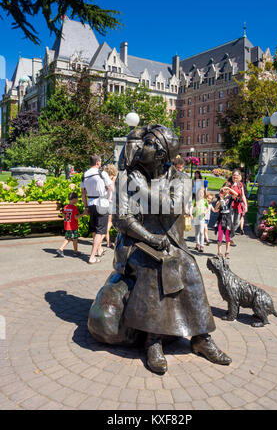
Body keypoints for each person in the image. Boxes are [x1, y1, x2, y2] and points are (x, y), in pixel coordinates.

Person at [88, 124, 231, 374]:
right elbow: (123, 220)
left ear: (162, 154)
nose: (143, 146)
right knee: (155, 265)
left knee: (189, 265)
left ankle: (200, 338)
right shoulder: (128, 177)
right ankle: (153, 341)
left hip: (171, 245)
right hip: (135, 244)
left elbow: (173, 207)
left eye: (150, 143)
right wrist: (150, 238)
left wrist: (143, 191)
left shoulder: (180, 179)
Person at [81, 154, 113, 264]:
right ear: (98, 162)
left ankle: (99, 250)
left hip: (91, 203)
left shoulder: (85, 174)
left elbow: (83, 193)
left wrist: (86, 206)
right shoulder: (102, 173)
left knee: (94, 229)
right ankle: (92, 257)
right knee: (100, 231)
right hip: (102, 204)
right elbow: (111, 187)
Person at [56, 192, 84, 257]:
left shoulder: (66, 207)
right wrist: (83, 214)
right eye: (77, 198)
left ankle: (75, 251)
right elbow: (76, 217)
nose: (77, 200)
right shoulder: (74, 208)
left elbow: (63, 215)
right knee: (70, 239)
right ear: (74, 199)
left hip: (67, 225)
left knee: (72, 238)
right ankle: (61, 249)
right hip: (73, 226)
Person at [224, 169, 248, 246]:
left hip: (238, 205)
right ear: (232, 176)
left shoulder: (240, 184)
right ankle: (228, 239)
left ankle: (230, 235)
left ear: (239, 176)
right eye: (234, 175)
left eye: (237, 175)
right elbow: (224, 193)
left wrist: (246, 205)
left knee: (237, 222)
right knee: (230, 221)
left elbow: (243, 195)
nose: (235, 177)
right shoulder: (228, 183)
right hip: (230, 205)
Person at [215, 185, 238, 259]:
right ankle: (219, 252)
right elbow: (216, 209)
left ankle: (227, 252)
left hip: (228, 218)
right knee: (220, 236)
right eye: (223, 190)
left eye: (226, 190)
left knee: (227, 236)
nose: (224, 191)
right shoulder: (220, 198)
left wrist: (228, 188)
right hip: (221, 218)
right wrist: (220, 200)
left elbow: (236, 194)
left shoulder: (230, 197)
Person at [103, 164, 118, 248]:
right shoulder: (114, 180)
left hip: (106, 202)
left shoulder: (105, 180)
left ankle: (108, 243)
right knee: (111, 222)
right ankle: (105, 240)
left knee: (107, 222)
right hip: (112, 203)